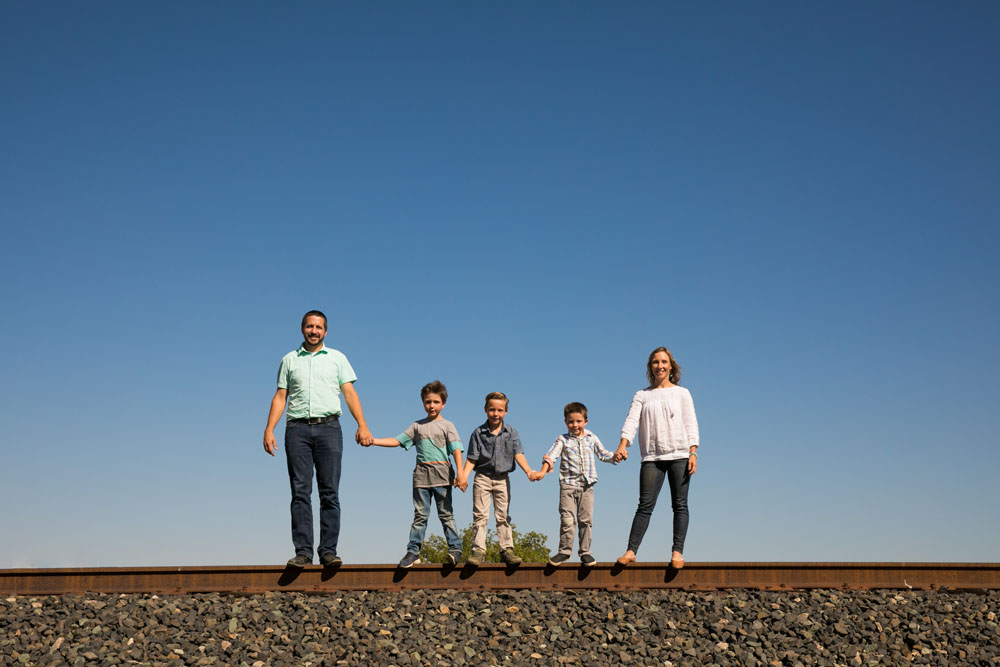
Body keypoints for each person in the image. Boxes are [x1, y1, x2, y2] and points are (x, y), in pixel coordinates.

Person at [263, 310, 373, 568]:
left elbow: (350, 393)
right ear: (303, 329)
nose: (314, 331)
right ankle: (303, 553)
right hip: (297, 431)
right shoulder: (289, 359)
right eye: (309, 326)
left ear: (325, 331)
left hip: (329, 429)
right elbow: (281, 396)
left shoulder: (337, 358)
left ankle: (328, 552)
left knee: (330, 492)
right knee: (300, 491)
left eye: (319, 327)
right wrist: (269, 429)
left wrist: (363, 425)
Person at [613, 347, 699, 569]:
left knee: (680, 505)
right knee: (644, 505)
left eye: (663, 362)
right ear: (650, 367)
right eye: (655, 362)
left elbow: (690, 423)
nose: (659, 366)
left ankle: (677, 553)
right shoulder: (642, 395)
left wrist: (692, 452)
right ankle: (631, 551)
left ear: (671, 366)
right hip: (652, 457)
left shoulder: (682, 393)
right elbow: (632, 421)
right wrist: (623, 444)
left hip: (680, 454)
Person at [368, 380, 466, 568]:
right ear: (423, 403)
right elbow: (398, 441)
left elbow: (456, 450)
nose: (432, 406)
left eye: (436, 402)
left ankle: (455, 548)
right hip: (421, 476)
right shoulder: (417, 426)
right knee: (420, 515)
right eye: (428, 402)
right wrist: (374, 441)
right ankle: (413, 551)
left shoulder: (447, 425)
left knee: (446, 514)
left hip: (442, 474)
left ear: (443, 403)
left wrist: (460, 474)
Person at [531, 402, 615, 567]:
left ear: (586, 421)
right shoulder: (562, 439)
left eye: (578, 421)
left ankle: (585, 552)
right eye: (571, 422)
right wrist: (542, 471)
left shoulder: (592, 438)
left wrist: (616, 456)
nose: (575, 425)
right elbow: (551, 456)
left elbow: (603, 454)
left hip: (587, 486)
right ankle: (564, 551)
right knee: (567, 519)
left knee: (585, 520)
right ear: (565, 422)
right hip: (568, 486)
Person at [460, 391, 537, 567]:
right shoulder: (478, 433)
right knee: (480, 515)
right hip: (482, 478)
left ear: (505, 412)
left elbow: (519, 454)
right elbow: (472, 458)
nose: (496, 414)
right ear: (485, 410)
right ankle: (478, 550)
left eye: (500, 410)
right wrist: (463, 477)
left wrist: (529, 471)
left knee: (502, 515)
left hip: (502, 479)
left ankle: (506, 549)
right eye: (492, 410)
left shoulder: (511, 432)